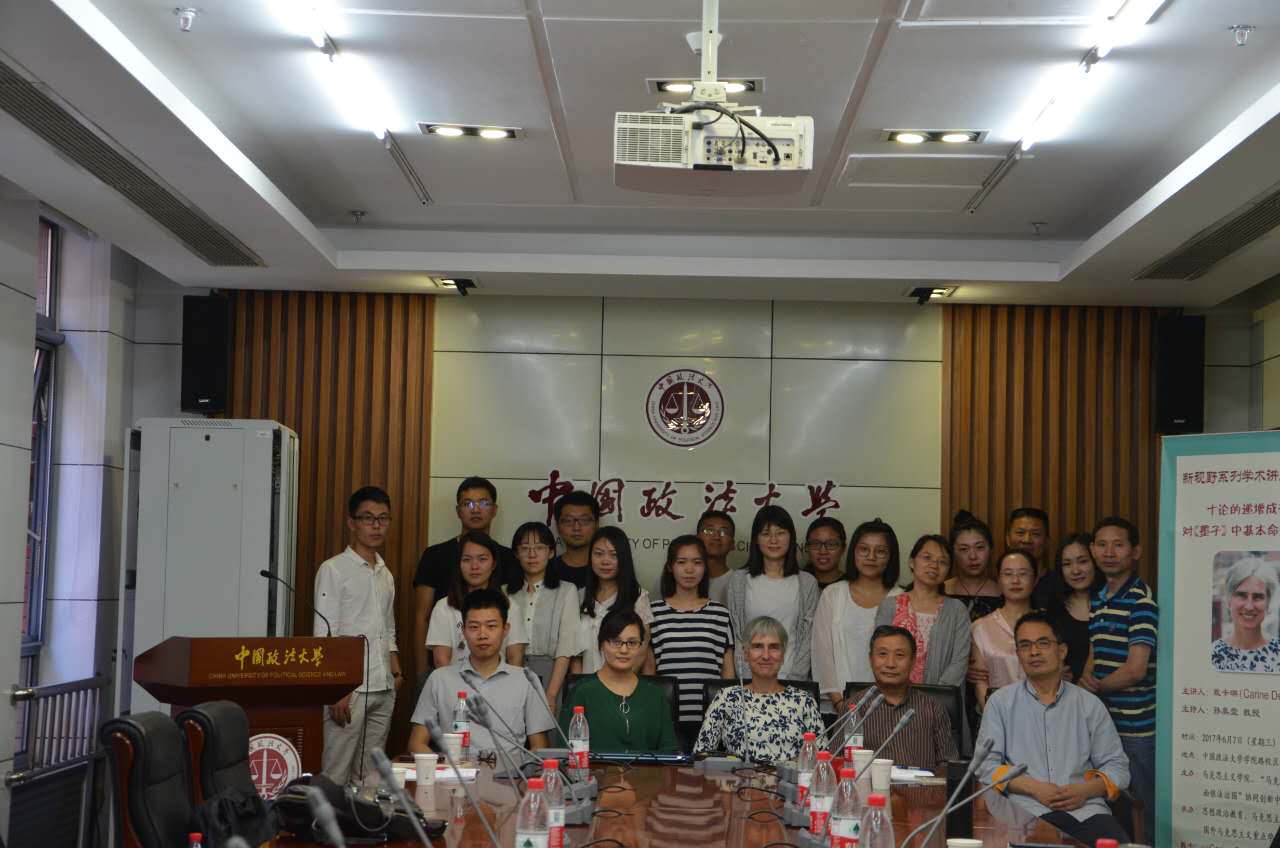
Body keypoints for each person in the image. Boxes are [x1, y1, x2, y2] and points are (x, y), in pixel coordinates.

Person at [976, 611, 1131, 846]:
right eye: (1025, 645)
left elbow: (1117, 766)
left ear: (1062, 651)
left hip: (1086, 811)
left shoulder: (1089, 705)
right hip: (1026, 812)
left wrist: (1085, 791)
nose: (1034, 652)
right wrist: (1034, 788)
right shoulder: (1000, 703)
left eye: (1043, 643)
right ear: (1018, 654)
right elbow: (985, 766)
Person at [314, 486, 402, 788]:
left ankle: (361, 820)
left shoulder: (385, 574)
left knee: (369, 778)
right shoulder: (334, 569)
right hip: (350, 690)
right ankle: (329, 820)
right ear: (351, 523)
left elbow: (388, 628)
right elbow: (325, 635)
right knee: (336, 773)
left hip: (383, 685)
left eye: (383, 518)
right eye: (367, 518)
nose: (376, 526)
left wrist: (396, 672)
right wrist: (336, 688)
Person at [1080, 516, 1156, 841]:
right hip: (1103, 724)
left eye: (1118, 545)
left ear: (1135, 551)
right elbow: (1095, 648)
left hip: (1135, 728)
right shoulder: (1099, 597)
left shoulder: (1141, 600)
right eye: (1102, 544)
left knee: (1142, 807)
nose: (1109, 552)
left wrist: (1095, 689)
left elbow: (1136, 669)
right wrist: (1086, 675)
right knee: (1111, 809)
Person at [409, 590, 553, 756]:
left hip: (510, 770)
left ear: (505, 629)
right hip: (456, 768)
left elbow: (539, 747)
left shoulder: (526, 680)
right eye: (474, 627)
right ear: (463, 631)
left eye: (491, 626)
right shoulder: (439, 679)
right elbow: (416, 743)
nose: (482, 635)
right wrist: (445, 767)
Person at [413, 477, 518, 679]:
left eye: (483, 503)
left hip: (497, 672)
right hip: (443, 666)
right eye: (468, 503)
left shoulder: (507, 557)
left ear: (494, 510)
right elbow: (421, 617)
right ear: (458, 511)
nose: (476, 510)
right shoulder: (434, 555)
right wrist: (421, 673)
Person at [695, 616, 824, 763]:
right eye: (758, 646)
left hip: (791, 777)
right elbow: (700, 756)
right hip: (737, 777)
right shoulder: (726, 697)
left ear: (783, 655)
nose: (766, 656)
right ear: (745, 653)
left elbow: (822, 758)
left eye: (774, 647)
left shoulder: (804, 701)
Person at [644, 535, 735, 744]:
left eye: (697, 562)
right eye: (681, 562)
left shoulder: (720, 614)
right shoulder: (653, 613)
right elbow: (650, 671)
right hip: (667, 719)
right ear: (670, 567)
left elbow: (727, 672)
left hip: (711, 719)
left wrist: (726, 714)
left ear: (705, 567)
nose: (689, 569)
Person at [812, 517, 903, 713]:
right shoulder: (833, 594)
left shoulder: (901, 599)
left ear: (891, 556)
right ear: (853, 551)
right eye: (864, 549)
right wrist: (840, 703)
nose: (871, 557)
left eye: (880, 551)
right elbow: (822, 654)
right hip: (836, 707)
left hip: (888, 709)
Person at [558, 608, 678, 753]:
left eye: (632, 643)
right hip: (594, 769)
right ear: (601, 644)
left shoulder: (655, 695)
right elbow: (565, 752)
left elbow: (670, 753)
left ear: (641, 647)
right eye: (616, 642)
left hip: (647, 769)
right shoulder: (582, 691)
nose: (624, 650)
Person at [843, 626, 957, 773]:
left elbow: (948, 767)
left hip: (920, 787)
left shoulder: (933, 708)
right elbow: (838, 762)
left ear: (913, 661)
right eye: (882, 654)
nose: (890, 664)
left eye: (900, 655)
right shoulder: (853, 708)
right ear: (871, 659)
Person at [725, 505, 820, 680]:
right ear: (756, 539)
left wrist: (795, 680)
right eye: (766, 533)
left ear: (791, 537)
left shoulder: (807, 583)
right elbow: (737, 636)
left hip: (792, 679)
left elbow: (808, 639)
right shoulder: (738, 580)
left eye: (780, 533)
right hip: (749, 680)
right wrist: (748, 679)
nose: (773, 540)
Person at [875, 535, 969, 687]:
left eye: (942, 562)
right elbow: (880, 652)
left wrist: (935, 696)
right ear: (912, 562)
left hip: (941, 697)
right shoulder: (890, 605)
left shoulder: (957, 610)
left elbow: (960, 661)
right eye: (927, 558)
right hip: (894, 694)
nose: (934, 565)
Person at [426, 531, 527, 668]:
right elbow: (441, 661)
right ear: (459, 564)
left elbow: (515, 658)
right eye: (467, 560)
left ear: (493, 564)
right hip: (455, 681)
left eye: (482, 559)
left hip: (500, 680)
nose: (474, 566)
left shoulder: (510, 606)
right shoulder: (443, 607)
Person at [507, 521, 580, 706]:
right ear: (516, 553)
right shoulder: (504, 593)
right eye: (525, 548)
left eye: (539, 548)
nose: (532, 555)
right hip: (508, 671)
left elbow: (566, 647)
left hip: (551, 673)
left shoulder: (566, 591)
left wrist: (552, 694)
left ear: (551, 552)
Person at [570, 526, 654, 675]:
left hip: (623, 683)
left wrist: (616, 683)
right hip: (586, 683)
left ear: (623, 559)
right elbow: (576, 656)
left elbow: (642, 650)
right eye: (598, 554)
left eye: (613, 555)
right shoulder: (579, 596)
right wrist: (578, 685)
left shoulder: (637, 597)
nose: (605, 561)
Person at [968, 551, 1035, 711]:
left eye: (1022, 574)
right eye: (1008, 574)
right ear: (998, 580)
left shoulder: (1047, 625)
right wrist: (994, 718)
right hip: (996, 714)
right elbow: (980, 683)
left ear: (1034, 579)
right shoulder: (980, 627)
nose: (1015, 580)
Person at [1041, 533, 1104, 682]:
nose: (1075, 571)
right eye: (1067, 564)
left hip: (1109, 689)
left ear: (1096, 562)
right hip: (1067, 692)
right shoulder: (1054, 608)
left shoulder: (1111, 603)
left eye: (1082, 561)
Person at [648, 510, 737, 604]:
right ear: (697, 539)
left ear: (732, 544)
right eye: (709, 531)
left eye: (724, 532)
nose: (716, 537)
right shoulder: (667, 580)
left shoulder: (738, 582)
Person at [1211, 557, 1280, 672]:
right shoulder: (1211, 655)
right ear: (1229, 601)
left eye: (1258, 597)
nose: (1249, 606)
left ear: (1268, 604)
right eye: (1241, 595)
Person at [944, 510, 1002, 622]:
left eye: (979, 547)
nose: (973, 556)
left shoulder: (1003, 592)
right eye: (964, 549)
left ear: (990, 549)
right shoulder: (941, 591)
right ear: (953, 552)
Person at [549, 490, 600, 589]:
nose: (576, 528)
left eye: (584, 520)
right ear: (557, 526)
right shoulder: (547, 570)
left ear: (597, 524)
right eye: (568, 521)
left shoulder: (608, 569)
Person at [803, 516, 847, 588]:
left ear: (843, 549)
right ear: (807, 547)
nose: (823, 551)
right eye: (816, 544)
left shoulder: (852, 586)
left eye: (831, 544)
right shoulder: (797, 582)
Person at [1006, 506, 1050, 571]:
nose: (1027, 540)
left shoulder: (1059, 578)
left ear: (1046, 541)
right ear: (1008, 539)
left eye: (1035, 534)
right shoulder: (998, 577)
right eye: (1020, 532)